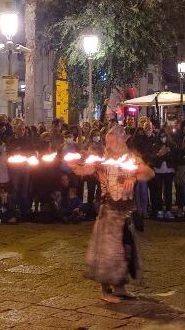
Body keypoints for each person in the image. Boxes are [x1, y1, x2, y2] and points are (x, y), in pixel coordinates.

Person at [76, 124, 154, 304]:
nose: (112, 142)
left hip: (126, 212)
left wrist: (134, 177)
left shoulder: (130, 158)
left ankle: (120, 288)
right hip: (109, 211)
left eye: (116, 138)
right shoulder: (103, 161)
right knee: (108, 252)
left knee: (125, 249)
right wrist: (73, 164)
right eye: (110, 139)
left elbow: (149, 173)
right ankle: (105, 291)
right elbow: (83, 170)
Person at [149, 129, 176, 219]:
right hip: (159, 170)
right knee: (158, 191)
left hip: (169, 170)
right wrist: (159, 155)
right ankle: (159, 209)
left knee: (168, 191)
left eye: (164, 136)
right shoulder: (155, 146)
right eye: (161, 136)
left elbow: (175, 158)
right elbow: (153, 159)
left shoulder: (171, 145)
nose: (163, 138)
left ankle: (168, 210)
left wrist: (168, 152)